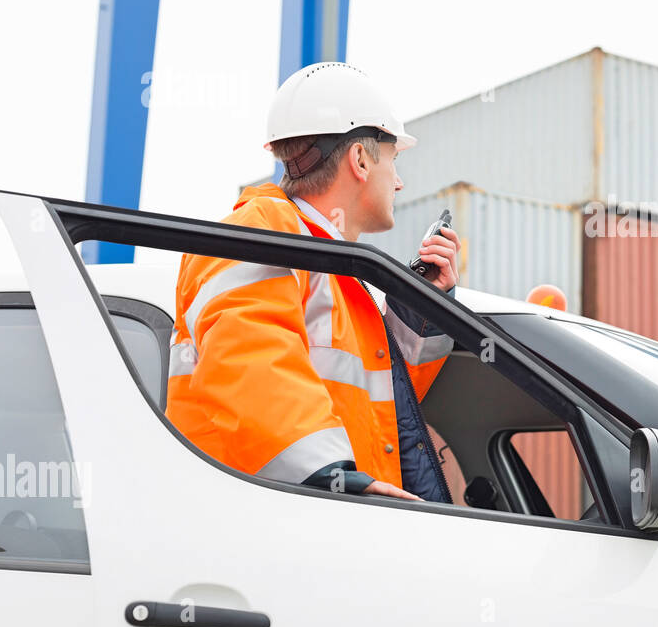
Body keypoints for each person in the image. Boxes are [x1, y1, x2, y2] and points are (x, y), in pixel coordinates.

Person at [166, 62, 462, 502]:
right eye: (394, 160)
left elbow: (378, 409)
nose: (399, 183)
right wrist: (334, 480)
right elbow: (248, 363)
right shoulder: (263, 232)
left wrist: (422, 309)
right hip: (282, 520)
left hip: (316, 519)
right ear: (360, 159)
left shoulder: (332, 267)